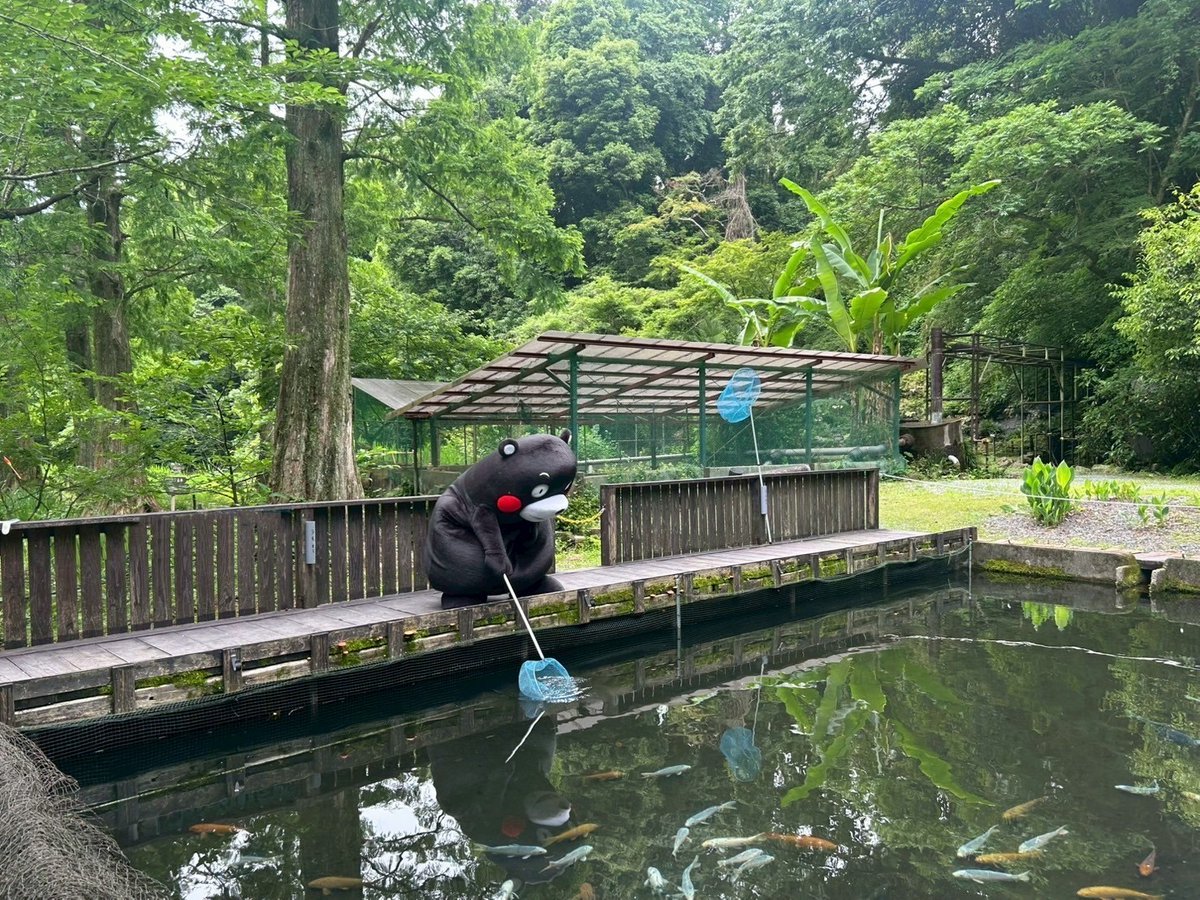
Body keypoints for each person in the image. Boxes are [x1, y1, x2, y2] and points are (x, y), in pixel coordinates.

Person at [427, 707, 575, 887]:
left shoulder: (480, 821)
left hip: (471, 757)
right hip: (522, 750)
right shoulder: (538, 843)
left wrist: (499, 781)